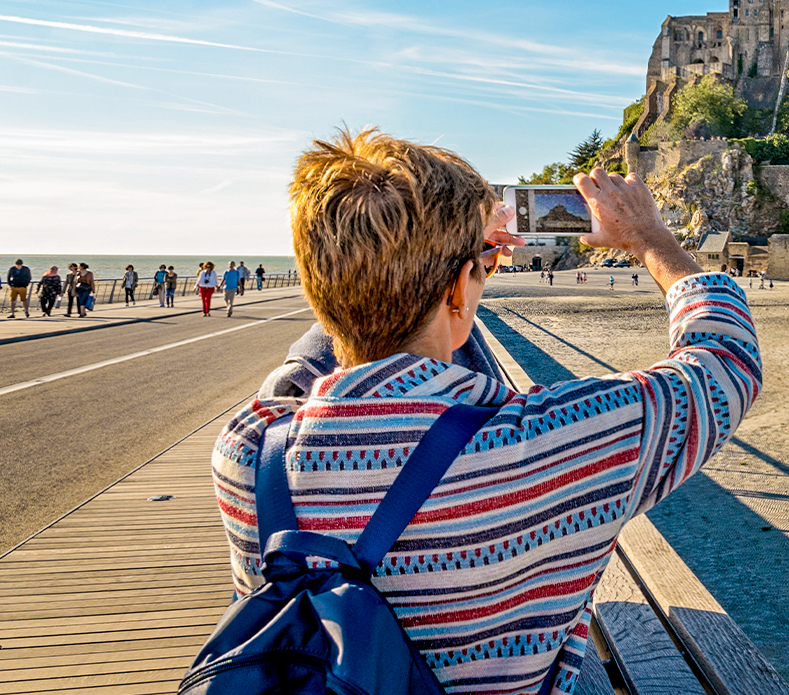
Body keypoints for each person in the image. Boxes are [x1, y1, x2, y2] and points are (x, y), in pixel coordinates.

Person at [211, 127, 757, 693]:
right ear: (457, 290)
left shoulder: (249, 448)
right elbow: (725, 360)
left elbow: (327, 350)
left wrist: (433, 264)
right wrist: (649, 236)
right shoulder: (551, 439)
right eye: (482, 268)